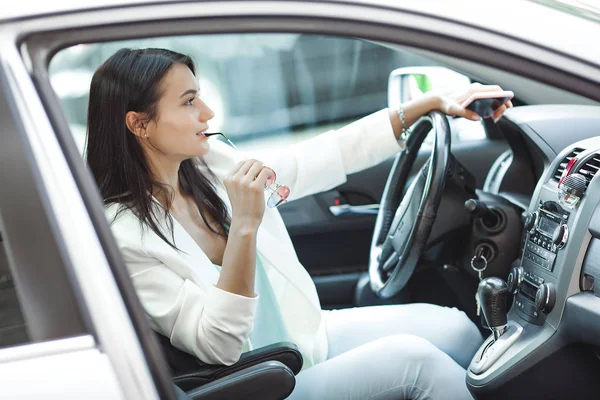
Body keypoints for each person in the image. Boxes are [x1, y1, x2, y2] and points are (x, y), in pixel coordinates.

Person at [86, 48, 511, 399]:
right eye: (189, 101)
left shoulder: (208, 166)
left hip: (305, 337)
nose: (208, 112)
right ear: (139, 124)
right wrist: (245, 228)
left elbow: (318, 158)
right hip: (260, 380)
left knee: (455, 327)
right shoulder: (124, 235)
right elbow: (217, 343)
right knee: (416, 363)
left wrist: (427, 106)